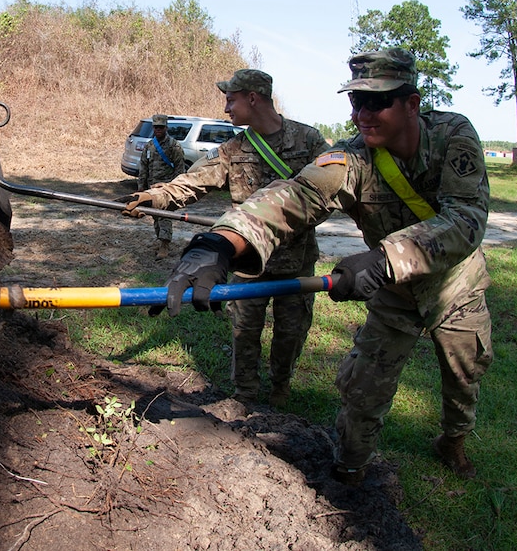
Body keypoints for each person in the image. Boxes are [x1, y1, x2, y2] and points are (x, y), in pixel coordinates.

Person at [158, 49, 493, 485]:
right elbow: (295, 197)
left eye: (376, 103)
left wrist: (383, 258)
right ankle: (350, 466)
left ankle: (454, 440)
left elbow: (467, 218)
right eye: (355, 103)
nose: (361, 115)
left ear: (411, 104)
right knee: (363, 387)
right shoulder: (351, 158)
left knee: (463, 377)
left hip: (456, 287)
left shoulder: (453, 136)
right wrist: (220, 243)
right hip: (396, 294)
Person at [119, 69, 330, 408]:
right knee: (244, 331)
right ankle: (244, 395)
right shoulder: (233, 149)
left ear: (253, 97)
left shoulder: (309, 141)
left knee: (291, 332)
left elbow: (325, 192)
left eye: (231, 99)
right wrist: (154, 197)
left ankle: (280, 390)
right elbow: (193, 181)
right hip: (247, 262)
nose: (227, 108)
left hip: (297, 262)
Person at [138, 114, 187, 259]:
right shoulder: (150, 145)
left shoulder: (174, 146)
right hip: (151, 188)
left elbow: (180, 169)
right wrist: (141, 187)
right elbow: (143, 167)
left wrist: (174, 188)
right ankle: (160, 240)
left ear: (166, 127)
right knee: (155, 216)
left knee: (164, 217)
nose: (158, 130)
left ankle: (164, 246)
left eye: (161, 127)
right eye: (155, 127)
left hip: (166, 189)